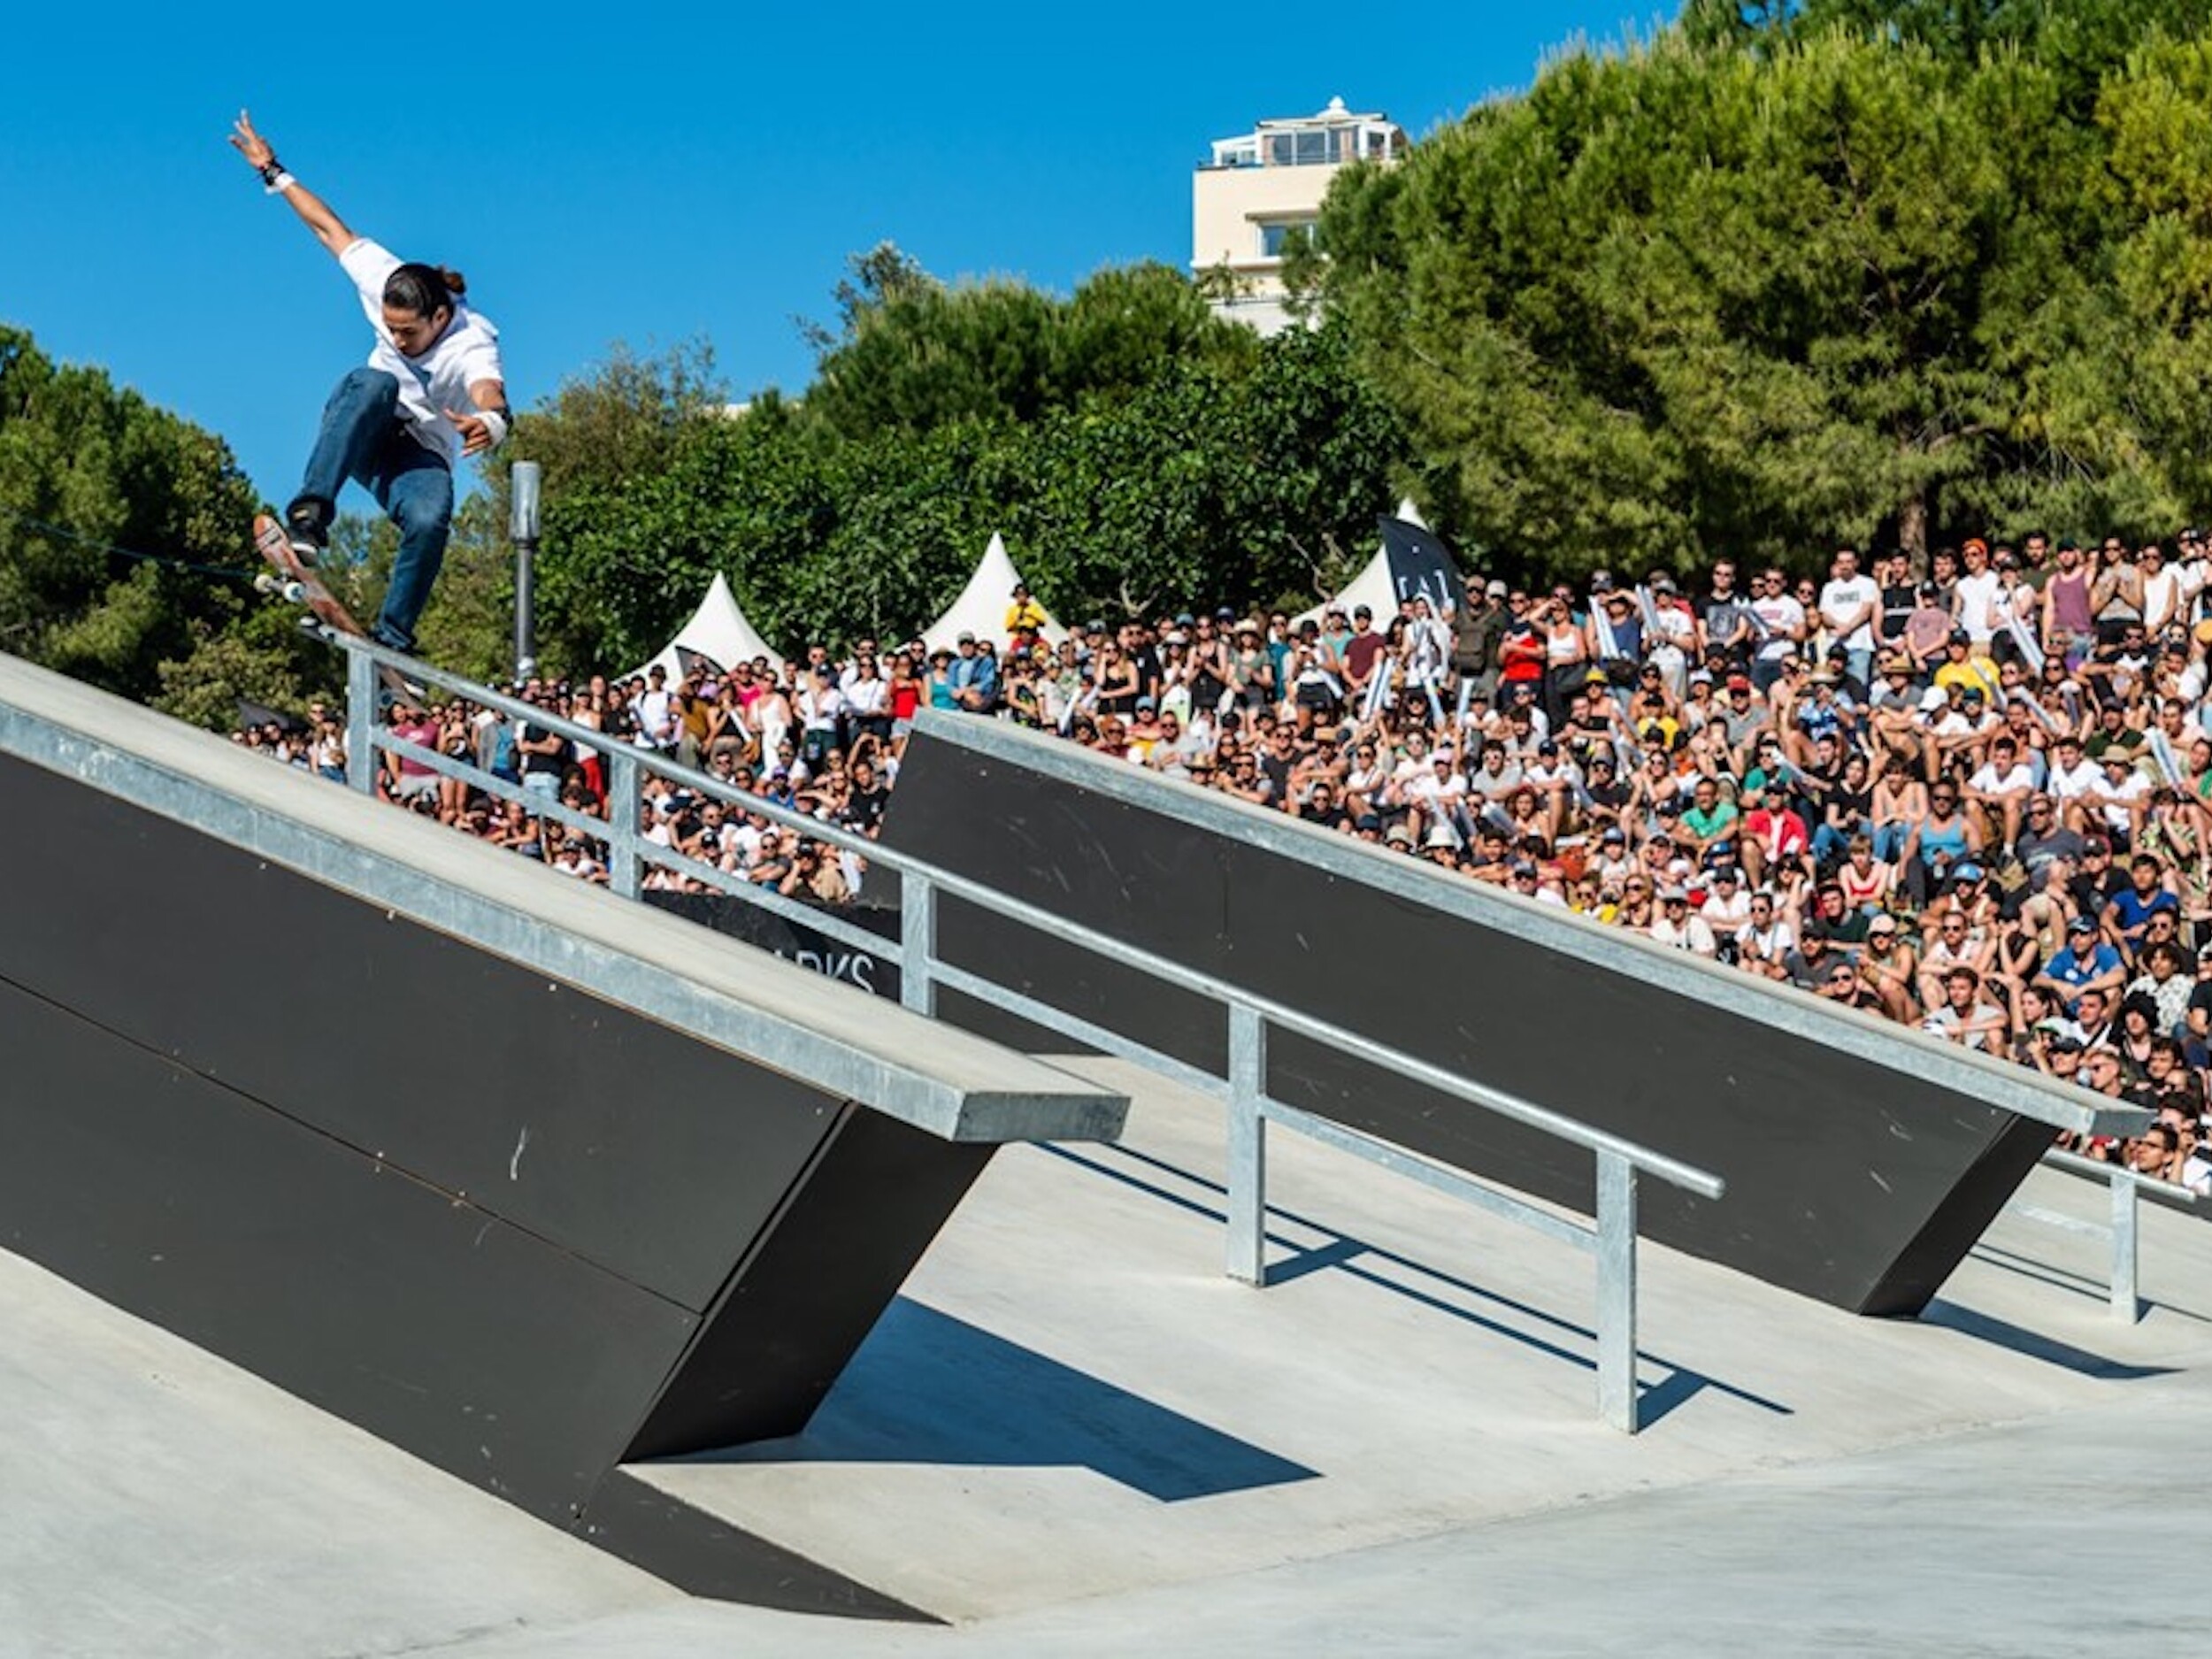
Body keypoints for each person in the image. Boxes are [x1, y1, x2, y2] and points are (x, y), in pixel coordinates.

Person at [232, 111, 508, 657]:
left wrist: (490, 424)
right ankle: (310, 517)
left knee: (431, 519)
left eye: (408, 333)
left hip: (418, 453)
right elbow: (329, 228)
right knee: (374, 381)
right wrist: (273, 171)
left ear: (439, 316)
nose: (399, 339)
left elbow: (490, 393)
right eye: (391, 328)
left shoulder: (473, 341)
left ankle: (394, 640)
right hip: (361, 427)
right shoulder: (386, 277)